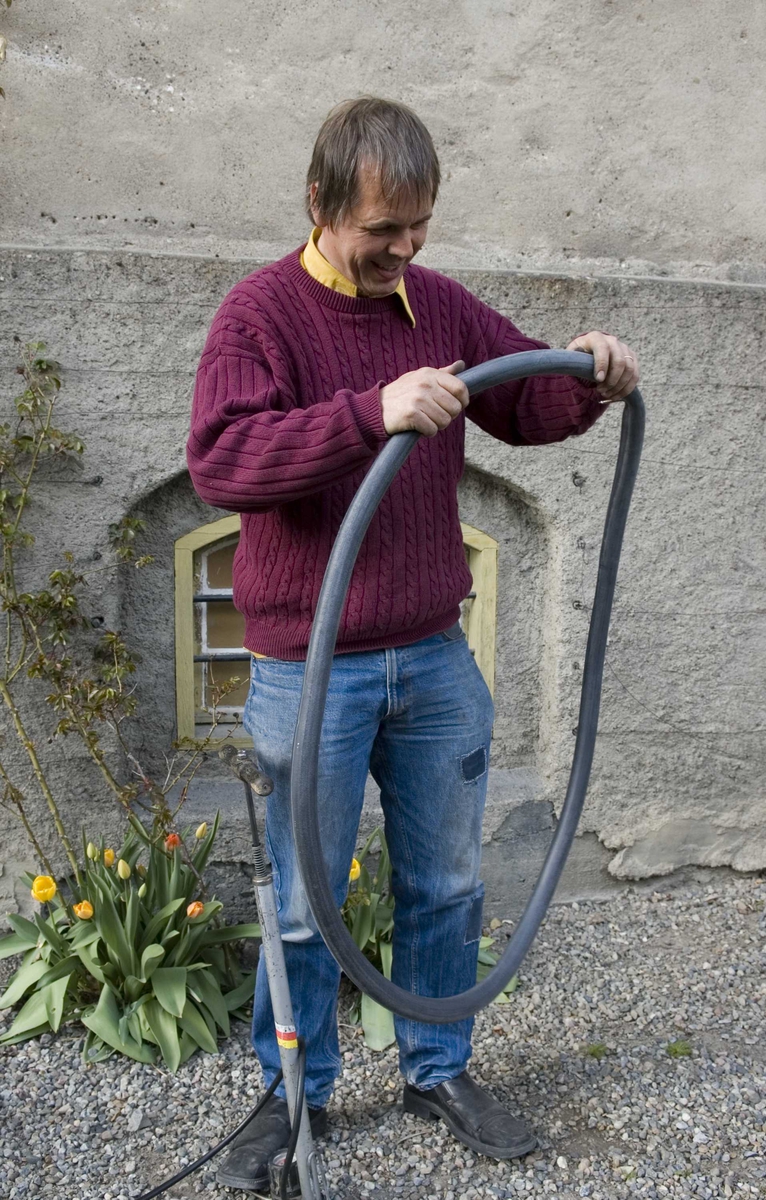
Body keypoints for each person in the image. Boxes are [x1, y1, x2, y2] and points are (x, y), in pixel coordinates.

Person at [187, 96, 639, 1193]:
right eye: (381, 230)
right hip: (313, 666)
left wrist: (584, 371)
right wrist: (365, 413)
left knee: (443, 882)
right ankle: (293, 1094)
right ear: (319, 203)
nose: (401, 251)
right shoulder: (258, 316)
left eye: (418, 226)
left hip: (431, 659)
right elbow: (222, 464)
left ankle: (438, 1069)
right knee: (305, 899)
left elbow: (519, 404)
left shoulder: (430, 305)